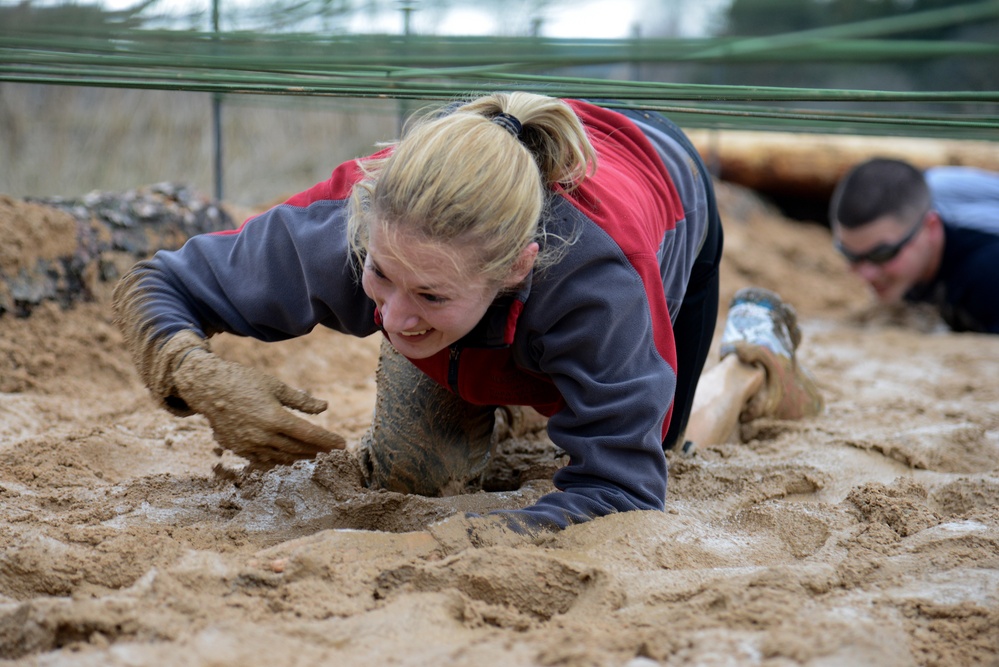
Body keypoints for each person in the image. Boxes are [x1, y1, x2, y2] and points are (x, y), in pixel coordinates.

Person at [112, 92, 822, 537]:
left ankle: (745, 362)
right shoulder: (357, 219)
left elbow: (621, 488)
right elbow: (161, 282)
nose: (389, 316)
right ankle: (505, 387)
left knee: (664, 445)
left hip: (669, 188)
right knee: (411, 470)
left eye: (427, 293)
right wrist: (190, 370)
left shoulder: (600, 281)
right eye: (380, 276)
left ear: (517, 267)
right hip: (499, 287)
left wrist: (475, 540)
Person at [828, 157, 999, 334]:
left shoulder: (986, 273)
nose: (866, 275)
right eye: (850, 255)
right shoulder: (909, 204)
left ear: (930, 227)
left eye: (882, 254)